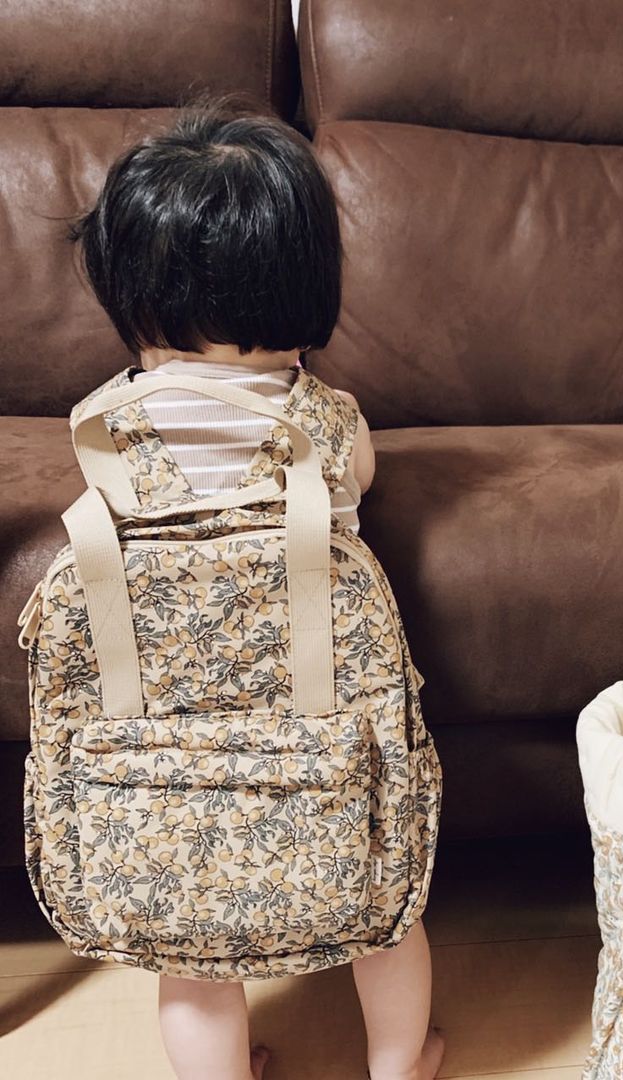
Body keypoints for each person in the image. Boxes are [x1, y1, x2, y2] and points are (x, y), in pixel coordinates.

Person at [66, 94, 444, 1080]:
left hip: (163, 747)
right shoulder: (332, 425)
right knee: (384, 915)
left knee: (190, 961)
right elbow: (358, 480)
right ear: (306, 284)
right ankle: (400, 1063)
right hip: (326, 740)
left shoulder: (104, 433)